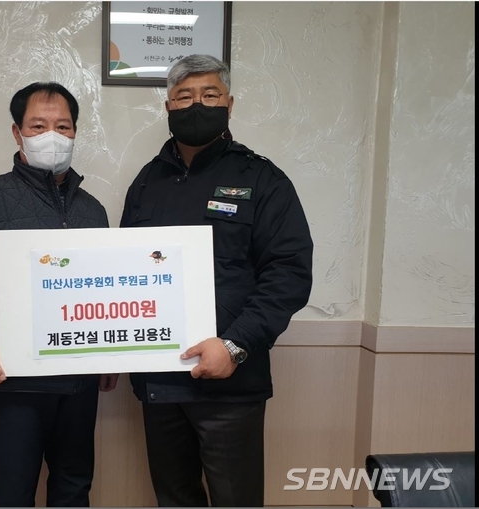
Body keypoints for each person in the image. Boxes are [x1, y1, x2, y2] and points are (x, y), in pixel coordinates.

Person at [120, 54, 313, 507]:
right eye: (184, 96)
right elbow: (126, 274)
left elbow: (288, 274)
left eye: (210, 95)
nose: (196, 105)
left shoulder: (262, 179)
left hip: (231, 384)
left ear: (229, 104)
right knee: (174, 498)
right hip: (159, 381)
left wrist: (234, 346)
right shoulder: (146, 182)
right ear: (168, 107)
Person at [0, 82, 118, 507]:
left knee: (74, 488)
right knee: (12, 492)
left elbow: (100, 290)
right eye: (38, 125)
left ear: (75, 132)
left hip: (81, 380)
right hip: (14, 381)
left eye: (63, 126)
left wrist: (108, 356)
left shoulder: (93, 210)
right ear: (17, 133)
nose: (52, 135)